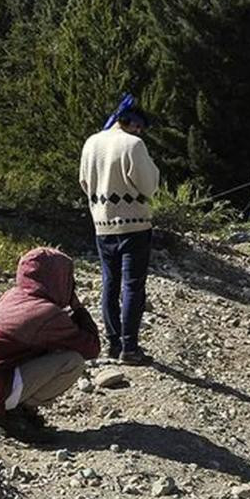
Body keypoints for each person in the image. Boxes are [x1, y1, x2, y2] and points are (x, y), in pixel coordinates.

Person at [0, 248, 101, 444]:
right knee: (72, 361)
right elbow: (91, 348)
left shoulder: (13, 297)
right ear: (58, 278)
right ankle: (14, 415)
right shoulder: (46, 312)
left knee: (49, 348)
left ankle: (8, 410)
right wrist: (77, 307)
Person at [79, 94, 160, 365]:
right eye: (141, 127)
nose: (141, 132)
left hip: (102, 225)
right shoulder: (133, 145)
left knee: (110, 284)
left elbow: (83, 182)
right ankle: (130, 347)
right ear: (134, 125)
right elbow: (149, 186)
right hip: (134, 224)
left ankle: (113, 344)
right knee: (133, 286)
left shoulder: (91, 142)